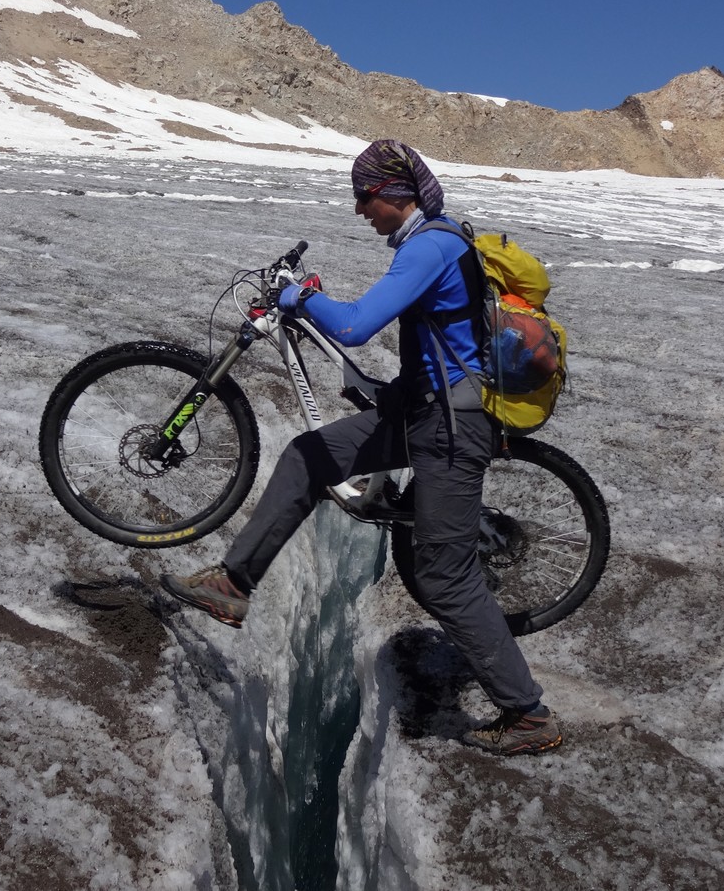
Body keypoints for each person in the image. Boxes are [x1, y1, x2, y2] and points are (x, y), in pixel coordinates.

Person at [162, 139, 560, 756]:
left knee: (444, 575)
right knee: (308, 456)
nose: (359, 210)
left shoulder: (431, 247)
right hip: (423, 412)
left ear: (393, 193)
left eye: (364, 196)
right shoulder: (431, 241)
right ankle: (233, 585)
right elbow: (435, 339)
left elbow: (352, 325)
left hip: (452, 429)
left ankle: (528, 715)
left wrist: (298, 298)